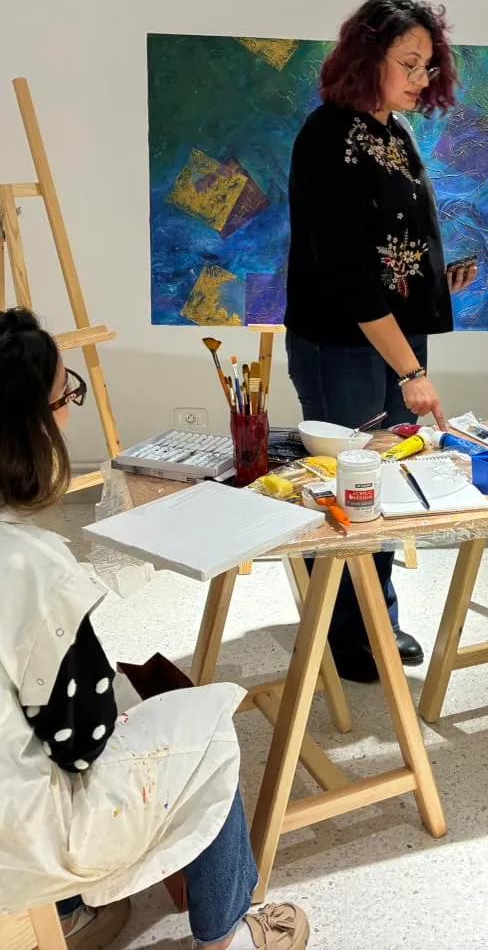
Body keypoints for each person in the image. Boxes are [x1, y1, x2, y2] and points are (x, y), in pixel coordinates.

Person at [0, 308, 309, 950]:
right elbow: (80, 740)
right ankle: (228, 933)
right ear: (28, 429)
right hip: (23, 837)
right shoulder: (28, 563)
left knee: (125, 688)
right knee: (205, 720)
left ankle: (68, 914)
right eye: (65, 398)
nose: (70, 415)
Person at [285, 0, 476, 683]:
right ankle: (346, 636)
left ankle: (376, 619)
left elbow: (390, 245)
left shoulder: (394, 132)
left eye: (428, 65)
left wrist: (433, 283)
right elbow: (346, 271)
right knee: (348, 487)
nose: (421, 78)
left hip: (392, 338)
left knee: (385, 482)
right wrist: (410, 373)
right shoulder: (327, 136)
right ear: (367, 59)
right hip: (341, 344)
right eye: (408, 63)